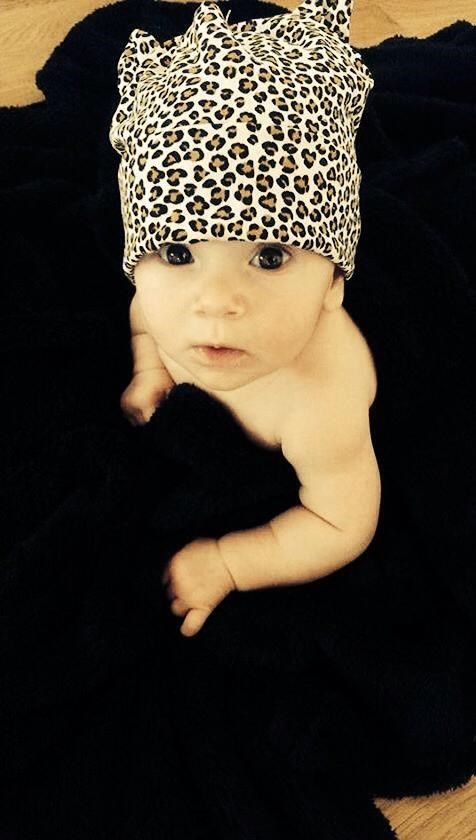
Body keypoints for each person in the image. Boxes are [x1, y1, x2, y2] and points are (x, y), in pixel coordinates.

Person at [109, 0, 381, 637]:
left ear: (332, 284)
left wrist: (232, 563)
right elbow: (142, 315)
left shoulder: (320, 407)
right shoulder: (162, 309)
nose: (216, 302)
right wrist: (150, 369)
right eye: (179, 253)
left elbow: (343, 523)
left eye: (269, 256)